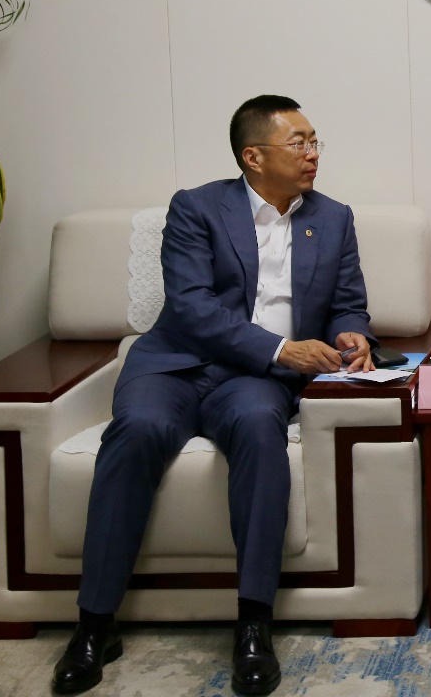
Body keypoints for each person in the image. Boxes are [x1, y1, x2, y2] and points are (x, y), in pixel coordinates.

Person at [52, 94, 375, 696]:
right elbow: (191, 306)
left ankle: (253, 624)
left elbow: (347, 302)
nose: (313, 154)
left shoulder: (333, 218)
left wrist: (349, 333)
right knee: (137, 430)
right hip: (177, 364)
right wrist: (282, 349)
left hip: (255, 381)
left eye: (314, 142)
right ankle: (95, 624)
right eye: (299, 143)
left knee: (259, 429)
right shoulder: (197, 207)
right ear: (254, 156)